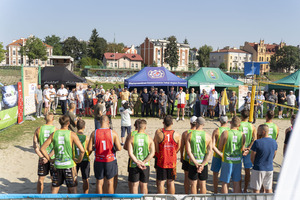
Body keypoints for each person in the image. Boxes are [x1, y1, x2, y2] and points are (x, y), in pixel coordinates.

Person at [40, 115, 85, 194]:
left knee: (54, 190)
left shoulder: (54, 134)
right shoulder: (72, 134)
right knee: (73, 190)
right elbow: (82, 150)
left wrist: (50, 159)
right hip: (69, 165)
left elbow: (42, 148)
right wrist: (79, 160)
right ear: (68, 123)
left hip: (57, 165)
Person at [88, 116, 122, 194]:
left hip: (99, 159)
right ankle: (110, 198)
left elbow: (89, 149)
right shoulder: (113, 133)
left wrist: (95, 147)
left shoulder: (94, 133)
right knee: (110, 182)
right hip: (109, 159)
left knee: (99, 183)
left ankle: (100, 198)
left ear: (100, 122)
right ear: (108, 122)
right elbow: (119, 148)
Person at [154, 115, 181, 194]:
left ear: (163, 123)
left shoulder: (159, 135)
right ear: (172, 123)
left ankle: (162, 198)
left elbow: (157, 149)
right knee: (171, 182)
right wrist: (172, 153)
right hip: (172, 161)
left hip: (162, 161)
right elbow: (178, 148)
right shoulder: (177, 135)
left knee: (161, 183)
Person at [218, 116, 245, 193]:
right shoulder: (242, 134)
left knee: (225, 183)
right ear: (239, 125)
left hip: (227, 160)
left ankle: (224, 198)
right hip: (237, 160)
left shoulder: (225, 133)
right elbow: (242, 149)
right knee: (236, 183)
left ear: (230, 123)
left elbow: (220, 147)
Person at [128, 119, 155, 194]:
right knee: (144, 185)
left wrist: (137, 162)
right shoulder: (149, 138)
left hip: (134, 164)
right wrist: (143, 162)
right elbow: (152, 153)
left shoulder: (132, 138)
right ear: (145, 128)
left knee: (134, 185)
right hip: (145, 165)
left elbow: (130, 153)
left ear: (137, 127)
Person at [186, 117, 212, 194]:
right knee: (203, 184)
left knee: (193, 184)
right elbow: (209, 152)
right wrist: (203, 164)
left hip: (193, 162)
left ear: (196, 123)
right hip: (203, 163)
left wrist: (196, 163)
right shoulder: (207, 136)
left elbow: (188, 151)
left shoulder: (190, 134)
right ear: (203, 124)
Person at [250, 124, 277, 193]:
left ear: (263, 132)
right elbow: (274, 154)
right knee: (268, 188)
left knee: (256, 189)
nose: (257, 132)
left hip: (258, 168)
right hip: (269, 167)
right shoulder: (274, 142)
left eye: (259, 131)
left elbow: (252, 157)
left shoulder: (257, 142)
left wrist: (255, 163)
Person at [33, 113, 56, 193]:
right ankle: (53, 197)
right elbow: (56, 147)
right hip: (52, 158)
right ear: (53, 119)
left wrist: (42, 157)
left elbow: (35, 146)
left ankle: (39, 196)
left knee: (40, 180)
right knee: (53, 180)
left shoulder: (38, 129)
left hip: (42, 158)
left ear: (44, 119)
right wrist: (48, 157)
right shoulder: (55, 130)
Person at [211, 115, 230, 194]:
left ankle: (215, 191)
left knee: (215, 174)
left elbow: (212, 146)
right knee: (226, 175)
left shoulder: (216, 131)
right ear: (227, 121)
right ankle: (225, 192)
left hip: (217, 155)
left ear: (220, 121)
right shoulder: (230, 130)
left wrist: (220, 153)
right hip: (227, 155)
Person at [239, 109, 257, 193]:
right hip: (248, 151)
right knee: (247, 171)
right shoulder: (252, 126)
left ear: (241, 116)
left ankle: (238, 188)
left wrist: (243, 148)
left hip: (239, 150)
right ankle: (245, 189)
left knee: (237, 170)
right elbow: (254, 139)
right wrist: (249, 148)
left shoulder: (239, 125)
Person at [180, 116, 197, 194]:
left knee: (186, 177)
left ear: (190, 123)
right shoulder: (201, 133)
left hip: (187, 158)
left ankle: (187, 193)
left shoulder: (185, 133)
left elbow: (182, 146)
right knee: (197, 179)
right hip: (197, 158)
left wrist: (181, 156)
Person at [73, 119, 90, 194]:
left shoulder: (72, 136)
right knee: (85, 179)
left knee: (73, 178)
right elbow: (89, 149)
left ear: (76, 126)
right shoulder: (86, 137)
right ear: (84, 127)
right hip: (84, 159)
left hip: (74, 159)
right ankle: (85, 195)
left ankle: (73, 193)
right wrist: (88, 154)